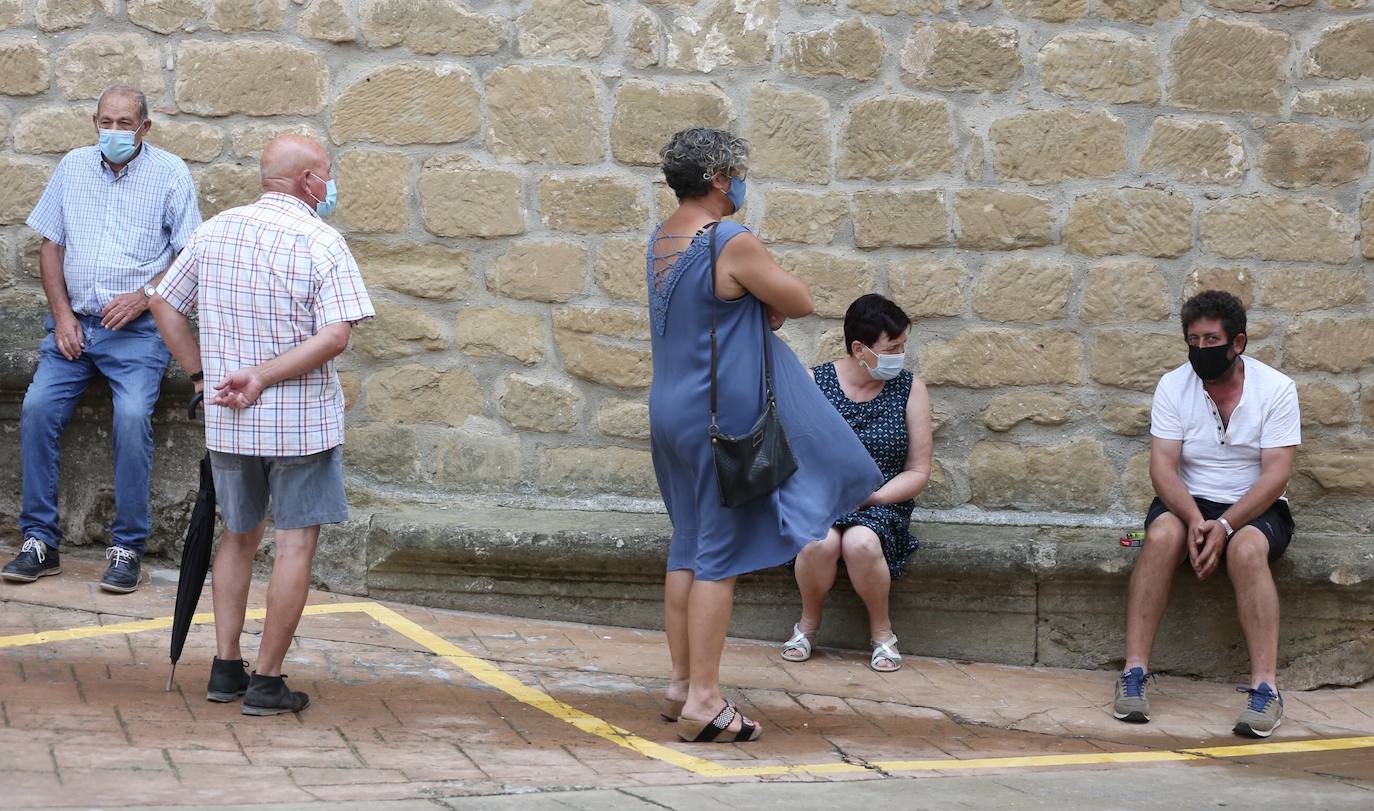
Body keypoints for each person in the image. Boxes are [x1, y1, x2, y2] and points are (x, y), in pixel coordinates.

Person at [648, 128, 882, 743]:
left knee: (688, 545)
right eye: (739, 173)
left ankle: (678, 684)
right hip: (717, 418)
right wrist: (762, 303)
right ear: (722, 179)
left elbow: (718, 307)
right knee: (717, 557)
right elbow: (800, 301)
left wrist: (752, 305)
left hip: (670, 410)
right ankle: (705, 700)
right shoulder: (729, 237)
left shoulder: (664, 237)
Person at [150, 135, 374, 716]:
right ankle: (268, 680)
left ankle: (226, 667)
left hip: (228, 421)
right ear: (306, 181)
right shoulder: (322, 241)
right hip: (300, 423)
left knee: (238, 534)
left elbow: (164, 304)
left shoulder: (215, 231)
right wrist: (266, 377)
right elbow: (336, 335)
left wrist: (201, 375)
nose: (330, 185)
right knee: (295, 541)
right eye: (326, 174)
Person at [3, 85, 201, 593]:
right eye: (106, 122)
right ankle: (40, 541)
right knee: (37, 409)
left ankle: (126, 547)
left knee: (133, 417)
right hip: (75, 328)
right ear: (95, 122)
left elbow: (188, 255)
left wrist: (145, 297)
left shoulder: (170, 174)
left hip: (137, 333)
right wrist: (62, 316)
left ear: (145, 128)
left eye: (124, 123)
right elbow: (51, 247)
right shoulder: (72, 167)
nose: (114, 131)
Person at [1113, 290, 1300, 739]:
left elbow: (1276, 474)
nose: (1201, 349)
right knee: (1159, 539)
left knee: (1248, 551)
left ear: (1238, 342)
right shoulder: (1173, 385)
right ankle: (1133, 673)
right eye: (1192, 340)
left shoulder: (1276, 389)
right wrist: (1196, 520)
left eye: (1211, 339)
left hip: (1255, 506)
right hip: (1187, 501)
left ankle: (1265, 688)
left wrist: (1229, 525)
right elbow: (1162, 468)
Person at [780, 294, 932, 673]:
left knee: (862, 541)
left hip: (883, 503)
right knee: (820, 541)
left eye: (903, 345)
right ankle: (808, 625)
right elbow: (794, 457)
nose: (900, 355)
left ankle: (882, 633)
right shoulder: (814, 382)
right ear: (859, 349)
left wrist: (874, 496)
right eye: (892, 347)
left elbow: (918, 470)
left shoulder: (911, 389)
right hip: (824, 501)